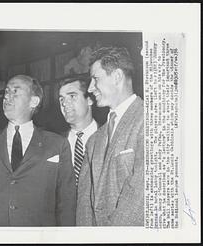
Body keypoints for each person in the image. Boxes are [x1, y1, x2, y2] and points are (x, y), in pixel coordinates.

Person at [0, 74, 76, 226]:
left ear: (34, 101)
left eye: (15, 92)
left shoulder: (58, 145)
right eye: (6, 92)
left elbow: (67, 203)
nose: (7, 97)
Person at [76, 47, 144, 226]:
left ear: (117, 77)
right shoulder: (93, 141)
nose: (90, 88)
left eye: (95, 79)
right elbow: (84, 203)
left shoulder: (151, 119)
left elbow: (142, 191)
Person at [58, 75, 98, 185]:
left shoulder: (109, 135)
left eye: (72, 96)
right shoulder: (54, 142)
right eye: (62, 99)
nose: (64, 104)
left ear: (89, 100)